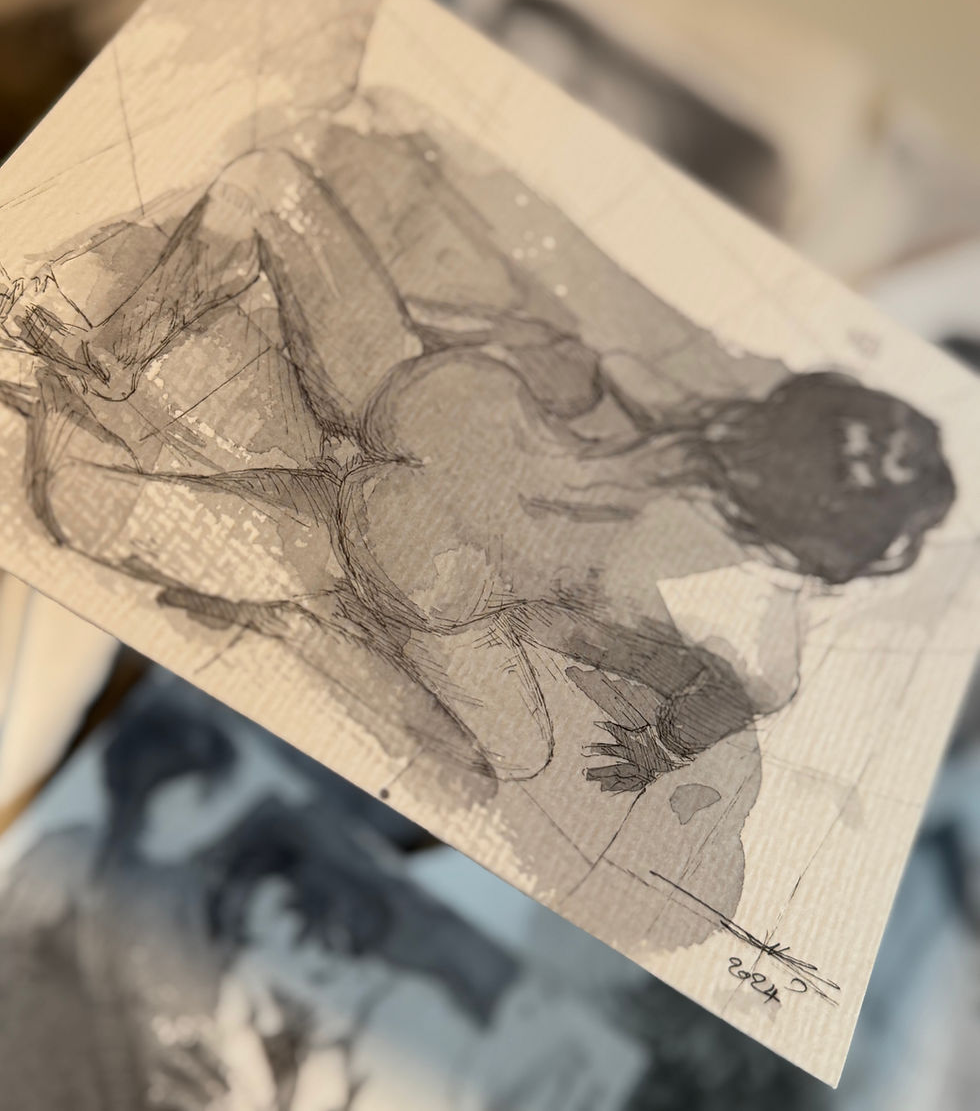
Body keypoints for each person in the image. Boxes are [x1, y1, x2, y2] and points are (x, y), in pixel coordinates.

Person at [0, 134, 956, 790]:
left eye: (865, 462)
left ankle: (136, 401)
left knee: (266, 191)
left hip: (421, 495)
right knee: (268, 185)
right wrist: (660, 744)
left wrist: (660, 744)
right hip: (419, 471)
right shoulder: (742, 515)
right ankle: (119, 368)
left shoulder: (741, 553)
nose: (859, 449)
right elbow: (588, 366)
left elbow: (726, 693)